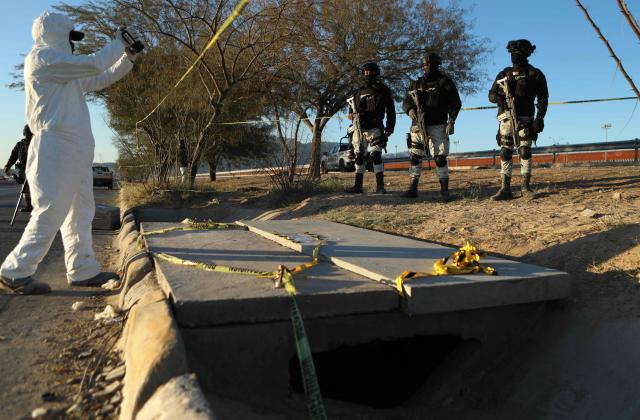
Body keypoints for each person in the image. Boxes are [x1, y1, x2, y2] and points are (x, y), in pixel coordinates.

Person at [0, 11, 143, 295]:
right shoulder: (43, 60)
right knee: (50, 212)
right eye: (70, 37)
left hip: (73, 150)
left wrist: (128, 58)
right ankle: (15, 271)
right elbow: (96, 63)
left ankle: (82, 270)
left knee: (80, 213)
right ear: (54, 34)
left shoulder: (64, 71)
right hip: (54, 149)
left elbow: (100, 77)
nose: (73, 43)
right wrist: (118, 42)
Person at [488, 39, 548, 200]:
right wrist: (498, 99)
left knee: (524, 150)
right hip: (506, 119)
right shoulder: (503, 74)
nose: (515, 55)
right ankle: (505, 188)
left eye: (518, 52)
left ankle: (525, 187)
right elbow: (491, 94)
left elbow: (543, 97)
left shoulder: (534, 74)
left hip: (526, 117)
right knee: (505, 152)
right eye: (512, 52)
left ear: (527, 54)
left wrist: (540, 118)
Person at [401, 52, 461, 200]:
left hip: (438, 124)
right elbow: (406, 102)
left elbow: (455, 103)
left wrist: (451, 121)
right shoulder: (416, 83)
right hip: (418, 125)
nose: (426, 67)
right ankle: (413, 188)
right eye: (424, 64)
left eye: (428, 64)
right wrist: (410, 110)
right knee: (415, 156)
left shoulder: (445, 82)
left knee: (440, 158)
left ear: (435, 64)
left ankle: (444, 191)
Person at [346, 61, 395, 194]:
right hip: (359, 129)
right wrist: (350, 115)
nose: (368, 74)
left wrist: (390, 127)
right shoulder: (357, 91)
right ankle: (358, 186)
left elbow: (391, 110)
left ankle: (380, 186)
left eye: (371, 71)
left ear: (376, 73)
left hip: (375, 127)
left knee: (376, 156)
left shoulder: (383, 90)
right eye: (365, 71)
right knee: (359, 157)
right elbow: (351, 108)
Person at [4, 125, 33, 212]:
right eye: (26, 131)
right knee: (25, 189)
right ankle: (29, 206)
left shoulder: (37, 143)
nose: (27, 133)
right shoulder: (20, 145)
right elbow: (13, 156)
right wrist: (7, 166)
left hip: (35, 169)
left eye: (29, 131)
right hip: (23, 169)